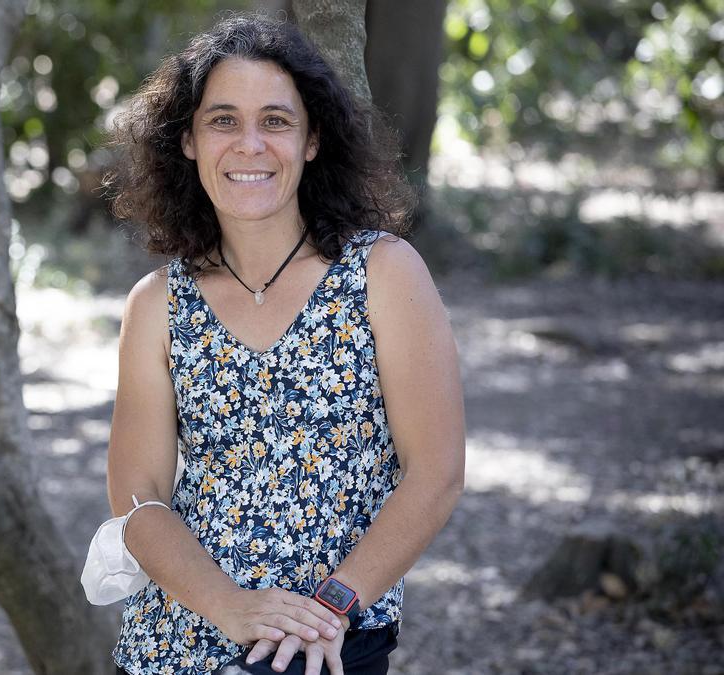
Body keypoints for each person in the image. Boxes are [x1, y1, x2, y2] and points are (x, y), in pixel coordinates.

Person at [102, 12, 466, 675]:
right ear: (187, 140)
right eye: (223, 121)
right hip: (172, 640)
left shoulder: (381, 273)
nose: (249, 145)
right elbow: (137, 494)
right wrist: (231, 606)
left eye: (275, 120)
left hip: (327, 638)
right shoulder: (156, 303)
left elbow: (436, 472)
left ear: (312, 140)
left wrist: (332, 605)